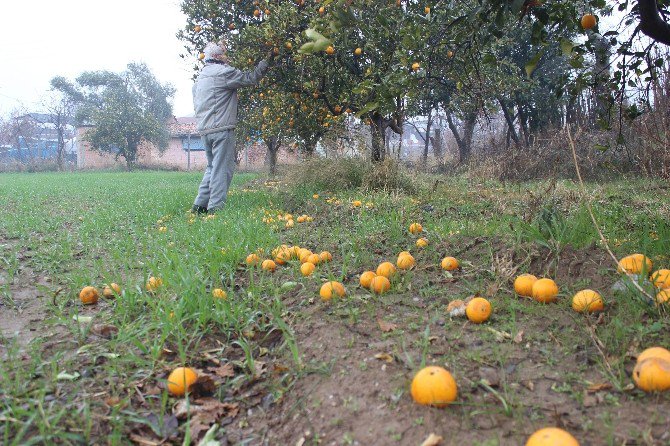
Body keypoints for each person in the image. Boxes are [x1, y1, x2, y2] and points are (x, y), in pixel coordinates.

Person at [191, 40, 273, 214]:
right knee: (223, 169)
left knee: (212, 167)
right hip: (221, 129)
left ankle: (199, 206)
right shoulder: (224, 73)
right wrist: (267, 59)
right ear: (218, 56)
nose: (228, 57)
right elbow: (251, 78)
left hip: (205, 130)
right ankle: (215, 210)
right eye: (225, 54)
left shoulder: (201, 78)